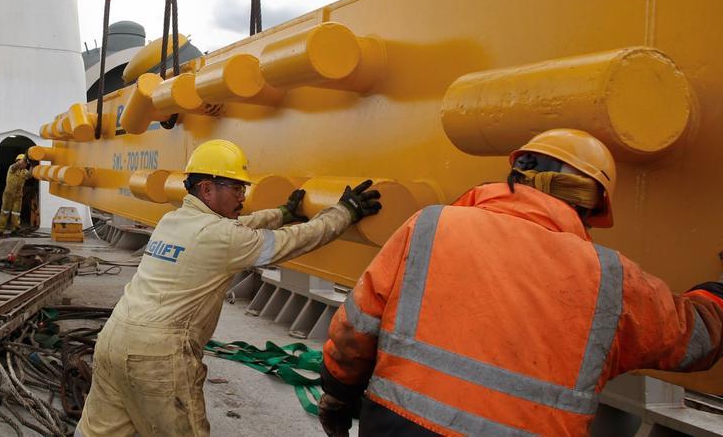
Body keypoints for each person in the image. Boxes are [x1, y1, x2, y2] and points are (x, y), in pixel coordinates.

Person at [318, 129, 723, 436]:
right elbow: (695, 338)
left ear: (517, 173)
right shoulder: (611, 278)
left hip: (397, 426)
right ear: (591, 202)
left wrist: (337, 396)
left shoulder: (430, 225)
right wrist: (717, 292)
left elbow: (357, 327)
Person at [77, 139, 384, 436]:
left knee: (98, 431)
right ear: (207, 188)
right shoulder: (220, 237)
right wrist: (345, 211)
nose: (242, 196)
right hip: (157, 359)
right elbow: (296, 240)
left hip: (113, 340)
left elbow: (238, 226)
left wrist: (281, 214)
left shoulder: (173, 220)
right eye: (236, 188)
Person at [0, 154, 31, 234]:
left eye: (26, 163)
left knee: (16, 212)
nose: (26, 164)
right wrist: (25, 158)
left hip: (18, 195)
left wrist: (32, 166)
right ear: (19, 161)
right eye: (25, 162)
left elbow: (30, 176)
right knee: (5, 211)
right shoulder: (12, 168)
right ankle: (1, 229)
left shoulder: (24, 171)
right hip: (8, 194)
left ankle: (15, 229)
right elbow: (17, 165)